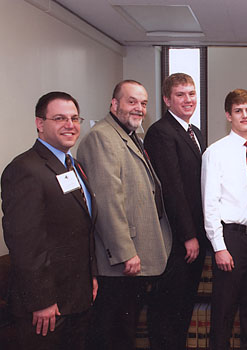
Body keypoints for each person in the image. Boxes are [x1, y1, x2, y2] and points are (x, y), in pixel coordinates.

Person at [77, 80, 172, 350]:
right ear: (114, 104)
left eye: (143, 103)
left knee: (124, 332)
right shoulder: (101, 138)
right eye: (132, 101)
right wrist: (125, 252)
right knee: (112, 333)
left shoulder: (131, 138)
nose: (139, 108)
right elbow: (107, 200)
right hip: (119, 263)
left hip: (134, 257)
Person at [1, 91, 96, 349]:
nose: (70, 125)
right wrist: (41, 300)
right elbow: (25, 243)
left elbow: (82, 227)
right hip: (46, 308)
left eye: (75, 118)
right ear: (39, 124)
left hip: (77, 297)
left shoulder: (74, 166)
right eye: (59, 118)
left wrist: (92, 275)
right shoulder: (25, 169)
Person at [201, 89, 247, 350]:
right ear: (228, 115)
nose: (244, 115)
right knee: (224, 310)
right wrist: (219, 247)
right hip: (232, 239)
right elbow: (209, 202)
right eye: (238, 111)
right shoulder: (215, 152)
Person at [144, 73, 209, 349]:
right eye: (180, 95)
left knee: (183, 307)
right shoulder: (161, 132)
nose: (188, 100)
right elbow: (172, 189)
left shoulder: (194, 132)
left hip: (194, 236)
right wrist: (188, 235)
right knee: (167, 310)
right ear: (167, 99)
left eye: (191, 93)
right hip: (176, 241)